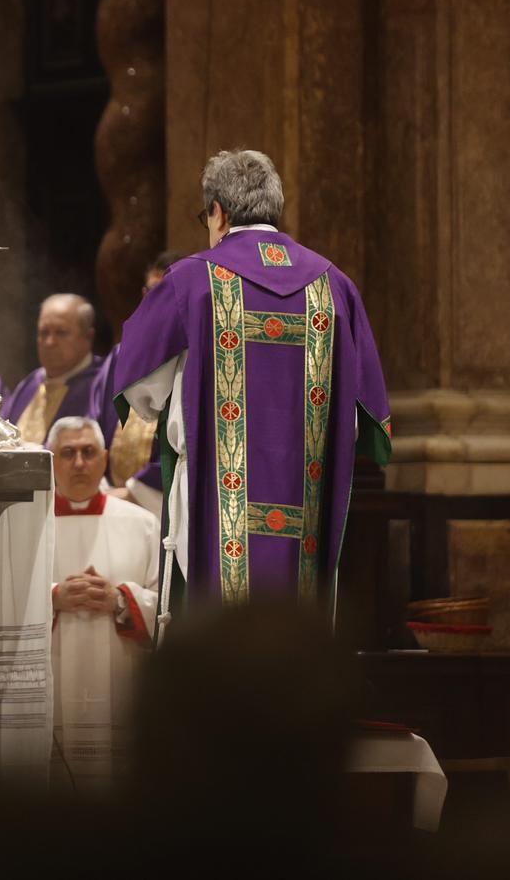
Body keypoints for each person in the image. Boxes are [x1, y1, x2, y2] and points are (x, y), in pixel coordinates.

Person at [113, 150, 391, 619]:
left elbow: (143, 390)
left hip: (211, 512)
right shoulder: (334, 286)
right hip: (308, 510)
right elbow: (365, 415)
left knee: (216, 648)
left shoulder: (191, 281)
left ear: (218, 212)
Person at [46, 416, 159, 793]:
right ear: (50, 460)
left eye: (88, 452)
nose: (79, 463)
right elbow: (2, 605)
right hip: (51, 681)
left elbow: (169, 607)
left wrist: (122, 600)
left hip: (121, 681)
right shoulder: (29, 524)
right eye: (68, 453)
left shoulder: (143, 524)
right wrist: (53, 598)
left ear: (105, 458)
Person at [94, 251, 181, 515]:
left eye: (170, 292)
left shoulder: (196, 355)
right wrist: (99, 484)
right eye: (155, 292)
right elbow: (95, 419)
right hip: (110, 499)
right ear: (144, 295)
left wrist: (135, 490)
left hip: (165, 504)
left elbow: (186, 437)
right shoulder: (122, 355)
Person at [0, 294, 102, 447]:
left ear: (88, 336)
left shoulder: (101, 385)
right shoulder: (30, 384)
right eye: (44, 333)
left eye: (61, 333)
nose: (50, 342)